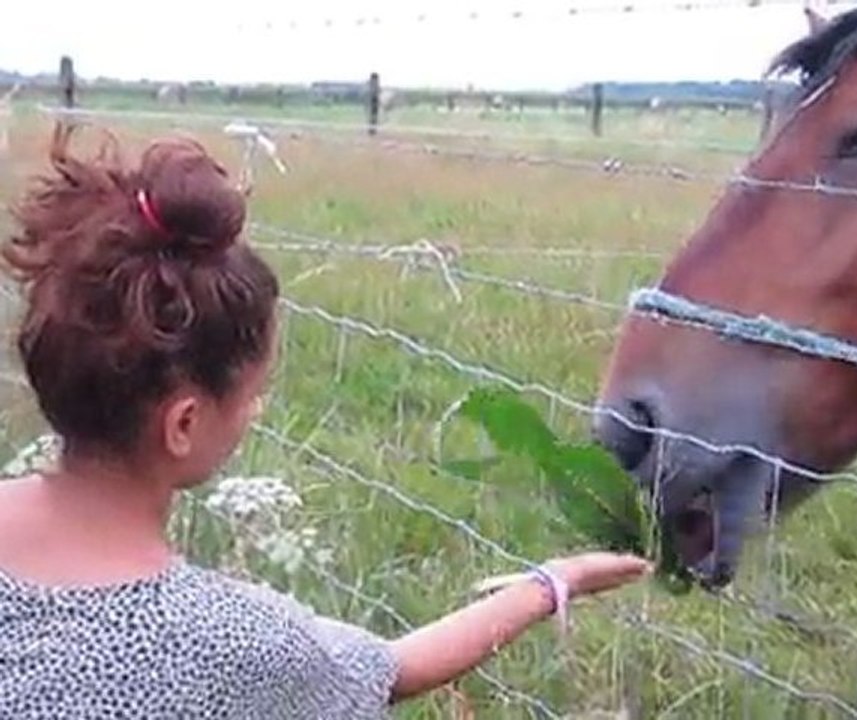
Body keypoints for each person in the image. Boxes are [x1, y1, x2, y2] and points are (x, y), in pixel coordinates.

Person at [0, 123, 651, 719]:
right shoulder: (230, 642)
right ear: (184, 424)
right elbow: (391, 669)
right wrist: (554, 582)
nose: (256, 410)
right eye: (251, 394)